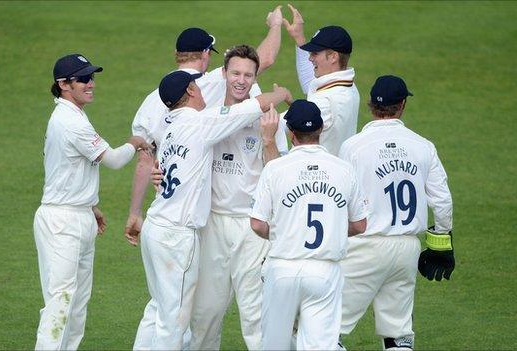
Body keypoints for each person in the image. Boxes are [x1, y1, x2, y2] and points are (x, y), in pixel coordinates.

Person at [134, 70, 291, 349]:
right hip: (175, 234)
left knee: (161, 310)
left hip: (156, 227)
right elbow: (253, 106)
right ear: (192, 90)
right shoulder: (200, 122)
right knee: (174, 322)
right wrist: (282, 95)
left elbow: (165, 173)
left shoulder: (170, 128)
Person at [126, 5, 284, 245]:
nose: (240, 81)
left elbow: (145, 161)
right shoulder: (214, 81)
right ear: (206, 54)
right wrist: (275, 26)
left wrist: (135, 214)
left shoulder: (151, 101)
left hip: (171, 212)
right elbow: (263, 59)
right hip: (202, 218)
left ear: (177, 53)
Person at [33, 54, 150, 350]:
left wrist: (89, 205)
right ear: (63, 84)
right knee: (61, 300)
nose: (91, 83)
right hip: (62, 221)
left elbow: (68, 168)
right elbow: (111, 159)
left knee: (78, 302)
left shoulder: (74, 115)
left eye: (91, 77)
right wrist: (135, 142)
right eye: (83, 78)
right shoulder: (70, 121)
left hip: (78, 214)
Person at [337, 75, 455, 350]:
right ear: (402, 105)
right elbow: (442, 201)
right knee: (398, 335)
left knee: (327, 331)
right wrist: (441, 244)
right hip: (406, 250)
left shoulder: (353, 147)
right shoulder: (423, 146)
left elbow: (342, 199)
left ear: (370, 106)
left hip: (363, 247)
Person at [188, 45, 289, 350]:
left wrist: (269, 140)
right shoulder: (206, 116)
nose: (241, 80)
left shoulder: (271, 119)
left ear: (255, 77)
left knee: (255, 314)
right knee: (206, 312)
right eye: (235, 73)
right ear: (224, 74)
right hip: (213, 223)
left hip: (252, 227)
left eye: (248, 74)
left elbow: (278, 176)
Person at [250, 99, 368, 349]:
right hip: (325, 271)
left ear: (290, 132)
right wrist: (335, 227)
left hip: (282, 268)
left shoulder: (275, 169)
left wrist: (285, 231)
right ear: (321, 129)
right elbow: (359, 225)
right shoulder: (343, 169)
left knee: (274, 345)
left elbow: (258, 224)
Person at [282, 4, 360, 155]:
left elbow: (277, 125)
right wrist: (299, 38)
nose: (310, 58)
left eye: (315, 53)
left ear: (333, 56)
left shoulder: (326, 101)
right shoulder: (347, 85)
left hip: (318, 174)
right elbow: (310, 83)